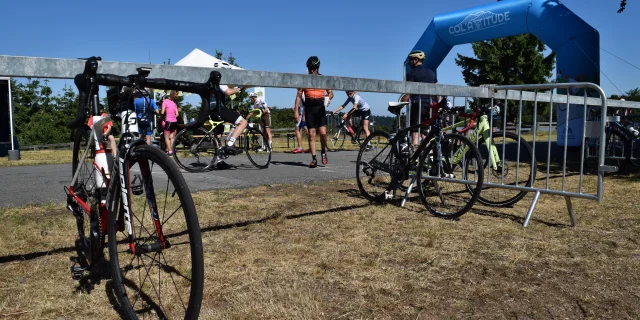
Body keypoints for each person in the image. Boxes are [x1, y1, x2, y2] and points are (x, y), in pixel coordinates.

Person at [294, 56, 334, 168]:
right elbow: (298, 96)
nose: (312, 70)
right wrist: (296, 111)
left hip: (320, 107)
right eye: (310, 68)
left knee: (323, 134)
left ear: (317, 68)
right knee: (311, 135)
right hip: (309, 108)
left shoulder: (323, 79)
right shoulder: (304, 80)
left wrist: (328, 98)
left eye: (314, 68)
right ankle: (314, 158)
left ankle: (323, 152)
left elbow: (331, 93)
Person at [401, 50, 438, 150]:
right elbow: (437, 91)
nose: (409, 62)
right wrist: (437, 103)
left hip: (417, 104)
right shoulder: (431, 73)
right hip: (429, 105)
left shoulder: (411, 73)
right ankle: (428, 157)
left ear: (416, 59)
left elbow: (408, 93)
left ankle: (415, 158)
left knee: (415, 132)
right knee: (425, 132)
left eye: (410, 60)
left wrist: (400, 102)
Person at [209, 83, 249, 168]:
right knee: (243, 122)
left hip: (211, 110)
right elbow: (228, 92)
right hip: (219, 109)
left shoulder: (210, 82)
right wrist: (239, 88)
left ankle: (220, 161)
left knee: (218, 135)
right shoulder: (220, 81)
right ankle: (230, 144)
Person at [161, 90, 180, 155]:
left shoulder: (164, 102)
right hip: (174, 121)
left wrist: (162, 115)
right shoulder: (174, 103)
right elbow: (177, 114)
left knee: (166, 137)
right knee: (172, 137)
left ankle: (169, 151)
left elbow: (162, 112)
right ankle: (172, 150)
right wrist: (173, 116)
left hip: (168, 121)